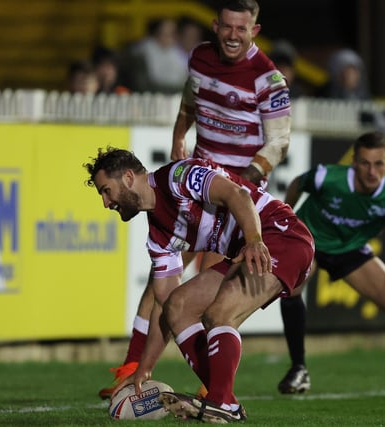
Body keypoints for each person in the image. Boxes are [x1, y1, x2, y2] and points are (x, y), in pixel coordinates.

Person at [97, 0, 292, 400]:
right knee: (163, 283)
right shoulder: (201, 58)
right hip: (198, 183)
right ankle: (134, 369)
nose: (233, 35)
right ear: (215, 25)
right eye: (227, 27)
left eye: (242, 29)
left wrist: (246, 181)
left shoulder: (268, 79)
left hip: (231, 196)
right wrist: (179, 135)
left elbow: (280, 141)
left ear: (254, 30)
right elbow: (191, 97)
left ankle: (213, 382)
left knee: (213, 296)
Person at [84, 147, 314, 423]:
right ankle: (224, 401)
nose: (106, 203)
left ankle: (219, 401)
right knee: (178, 306)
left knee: (219, 314)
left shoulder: (178, 177)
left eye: (106, 190)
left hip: (280, 236)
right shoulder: (159, 236)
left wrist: (254, 240)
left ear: (129, 178)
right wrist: (144, 368)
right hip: (248, 251)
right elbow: (163, 304)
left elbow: (237, 194)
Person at [278, 131, 385, 402]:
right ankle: (298, 368)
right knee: (290, 290)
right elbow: (298, 183)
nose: (372, 171)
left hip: (350, 249)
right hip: (308, 240)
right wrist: (283, 219)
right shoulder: (328, 177)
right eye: (365, 163)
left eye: (379, 164)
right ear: (354, 162)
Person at [126, 17, 189, 94]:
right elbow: (153, 82)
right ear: (156, 33)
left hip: (173, 96)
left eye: (172, 33)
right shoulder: (144, 51)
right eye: (165, 33)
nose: (169, 37)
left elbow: (184, 76)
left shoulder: (174, 51)